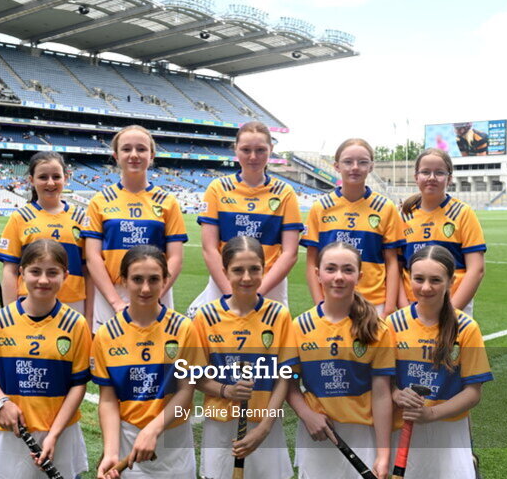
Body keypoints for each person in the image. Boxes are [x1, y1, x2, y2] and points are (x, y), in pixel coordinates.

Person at [0, 239, 92, 479]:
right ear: (21, 274)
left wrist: (53, 435)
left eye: (52, 272)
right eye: (35, 271)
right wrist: (2, 402)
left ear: (65, 276)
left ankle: (67, 477)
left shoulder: (76, 324)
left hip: (59, 433)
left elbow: (78, 385)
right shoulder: (0, 320)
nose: (43, 280)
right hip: (15, 435)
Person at [92, 245, 202, 479]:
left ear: (165, 280)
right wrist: (113, 452)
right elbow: (108, 400)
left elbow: (186, 391)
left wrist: (153, 429)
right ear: (123, 280)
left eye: (154, 279)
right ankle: (111, 468)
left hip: (172, 436)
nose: (145, 287)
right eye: (137, 279)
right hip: (129, 441)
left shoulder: (183, 328)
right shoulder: (106, 334)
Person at [191, 236, 297, 479]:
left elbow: (285, 375)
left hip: (263, 426)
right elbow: (195, 375)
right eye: (238, 270)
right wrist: (225, 391)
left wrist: (264, 428)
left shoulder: (279, 315)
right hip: (222, 425)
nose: (247, 278)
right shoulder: (206, 316)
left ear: (265, 270)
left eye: (254, 269)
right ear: (225, 271)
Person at [287, 242, 395, 479]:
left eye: (347, 270)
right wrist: (307, 414)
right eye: (331, 269)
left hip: (360, 436)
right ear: (317, 273)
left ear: (359, 275)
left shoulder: (377, 329)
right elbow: (288, 383)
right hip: (319, 434)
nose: (339, 277)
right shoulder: (300, 326)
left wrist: (383, 454)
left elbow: (382, 394)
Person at [387, 245, 492, 479]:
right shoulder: (392, 325)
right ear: (408, 278)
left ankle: (467, 471)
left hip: (447, 434)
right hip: (406, 434)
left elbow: (473, 392)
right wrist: (397, 395)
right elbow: (382, 383)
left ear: (450, 282)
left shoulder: (466, 328)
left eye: (435, 280)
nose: (426, 287)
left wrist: (431, 413)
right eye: (419, 279)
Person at [188, 121, 302, 317]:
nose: (253, 157)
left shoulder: (285, 193)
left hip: (270, 284)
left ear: (271, 150)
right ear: (235, 150)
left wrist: (258, 293)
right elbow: (209, 248)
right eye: (246, 149)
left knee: (268, 344)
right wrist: (229, 293)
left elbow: (290, 253)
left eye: (260, 150)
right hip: (225, 281)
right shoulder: (217, 188)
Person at [84, 125, 188, 332]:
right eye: (126, 149)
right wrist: (115, 302)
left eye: (141, 149)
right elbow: (92, 257)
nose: (134, 155)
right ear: (116, 155)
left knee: (159, 358)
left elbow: (175, 257)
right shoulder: (99, 201)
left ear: (151, 156)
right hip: (111, 294)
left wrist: (156, 295)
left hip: (156, 292)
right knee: (111, 358)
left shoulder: (167, 201)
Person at [302, 138, 403, 316]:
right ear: (336, 166)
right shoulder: (321, 207)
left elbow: (392, 262)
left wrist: (388, 307)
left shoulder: (385, 207)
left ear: (371, 166)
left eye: (362, 162)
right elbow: (312, 261)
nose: (355, 167)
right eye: (348, 162)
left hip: (374, 303)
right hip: (331, 302)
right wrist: (320, 302)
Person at [0, 151, 91, 319]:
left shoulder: (81, 217)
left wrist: (90, 315)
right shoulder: (20, 217)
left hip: (73, 304)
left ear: (66, 178)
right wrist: (9, 315)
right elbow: (10, 271)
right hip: (31, 303)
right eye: (43, 177)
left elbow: (87, 271)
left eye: (56, 176)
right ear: (31, 180)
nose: (50, 182)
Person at [399, 149, 486, 317]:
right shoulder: (404, 215)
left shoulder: (463, 213)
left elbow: (476, 269)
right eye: (425, 172)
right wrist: (405, 309)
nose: (432, 177)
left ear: (449, 179)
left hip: (454, 304)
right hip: (412, 304)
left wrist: (452, 311)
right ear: (416, 177)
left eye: (439, 173)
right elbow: (396, 267)